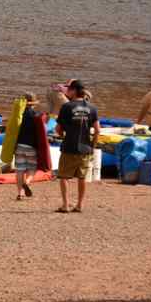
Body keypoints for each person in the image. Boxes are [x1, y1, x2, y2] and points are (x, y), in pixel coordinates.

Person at [55, 80, 100, 213]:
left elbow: (58, 129)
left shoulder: (67, 107)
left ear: (74, 91)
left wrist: (63, 135)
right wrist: (93, 145)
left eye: (69, 89)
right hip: (85, 149)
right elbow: (98, 130)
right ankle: (79, 205)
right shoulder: (92, 108)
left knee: (63, 176)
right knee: (82, 178)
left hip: (69, 146)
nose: (67, 91)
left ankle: (65, 205)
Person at [15, 93, 43, 200]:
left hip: (19, 145)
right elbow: (40, 132)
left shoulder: (18, 114)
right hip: (31, 146)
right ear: (33, 103)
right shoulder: (35, 115)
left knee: (19, 170)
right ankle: (27, 182)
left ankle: (20, 194)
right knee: (32, 169)